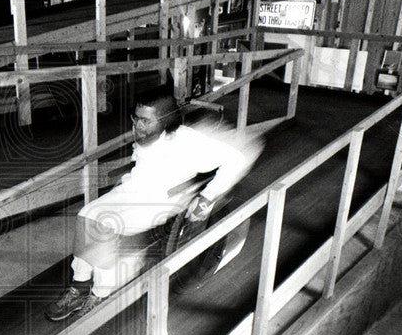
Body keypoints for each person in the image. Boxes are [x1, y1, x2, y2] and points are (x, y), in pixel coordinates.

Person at [45, 92, 262, 321]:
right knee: (86, 213)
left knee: (105, 225)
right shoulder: (145, 134)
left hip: (163, 199)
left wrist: (208, 197)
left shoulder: (187, 141)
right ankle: (79, 286)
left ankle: (100, 293)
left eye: (146, 120)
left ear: (166, 119)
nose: (138, 125)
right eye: (136, 118)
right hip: (133, 190)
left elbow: (236, 159)